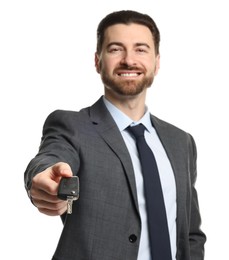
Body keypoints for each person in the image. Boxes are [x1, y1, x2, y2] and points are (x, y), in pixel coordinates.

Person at [24, 10, 206, 260]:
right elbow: (50, 158)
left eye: (141, 49)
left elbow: (190, 233)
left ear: (157, 61)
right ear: (97, 61)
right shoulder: (72, 126)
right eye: (115, 49)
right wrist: (44, 179)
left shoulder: (181, 142)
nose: (129, 60)